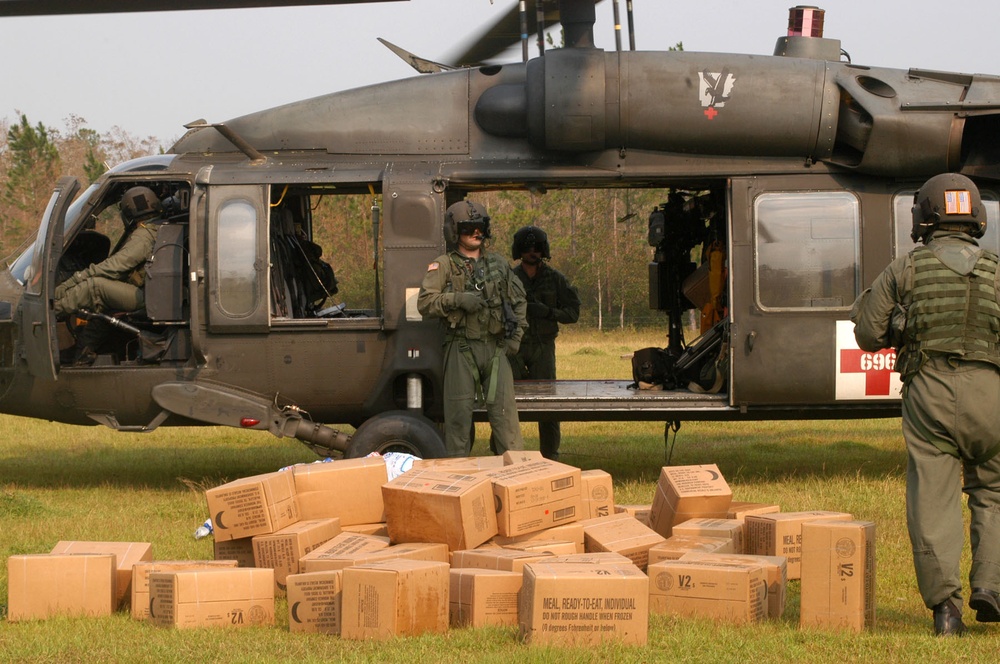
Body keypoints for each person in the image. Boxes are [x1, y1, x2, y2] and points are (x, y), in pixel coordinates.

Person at [851, 173, 1000, 636]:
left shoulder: (906, 269)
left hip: (930, 391)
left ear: (924, 217)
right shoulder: (997, 269)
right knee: (994, 492)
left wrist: (901, 323)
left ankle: (947, 611)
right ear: (975, 216)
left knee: (932, 498)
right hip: (991, 394)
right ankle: (991, 588)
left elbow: (868, 333)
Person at [418, 200, 527, 457]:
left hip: (496, 349)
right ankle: (458, 482)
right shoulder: (443, 265)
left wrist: (516, 338)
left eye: (480, 228)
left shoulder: (499, 265)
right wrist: (457, 299)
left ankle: (514, 483)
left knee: (506, 421)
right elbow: (425, 302)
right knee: (457, 422)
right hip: (461, 348)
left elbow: (520, 301)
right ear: (455, 232)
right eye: (468, 229)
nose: (476, 233)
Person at [54, 186, 165, 362]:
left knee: (93, 288)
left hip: (148, 299)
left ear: (129, 211)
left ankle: (46, 313)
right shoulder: (158, 228)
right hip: (155, 296)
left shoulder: (145, 234)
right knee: (103, 308)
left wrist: (78, 278)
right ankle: (81, 356)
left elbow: (117, 265)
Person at [504, 225, 580, 460]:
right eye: (527, 249)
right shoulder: (509, 279)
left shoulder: (556, 279)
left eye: (536, 248)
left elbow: (572, 314)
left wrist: (547, 312)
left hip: (543, 348)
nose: (532, 253)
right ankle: (503, 452)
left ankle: (550, 455)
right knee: (506, 403)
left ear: (543, 250)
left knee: (549, 407)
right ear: (519, 251)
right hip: (514, 349)